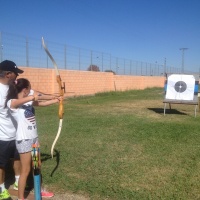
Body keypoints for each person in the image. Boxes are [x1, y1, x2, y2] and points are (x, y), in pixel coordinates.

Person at [5, 78, 62, 200]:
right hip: (24, 141)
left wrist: (57, 100)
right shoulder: (12, 102)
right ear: (25, 90)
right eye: (29, 89)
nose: (31, 92)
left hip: (34, 140)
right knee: (25, 170)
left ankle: (39, 190)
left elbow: (41, 103)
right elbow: (24, 100)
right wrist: (32, 97)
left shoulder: (28, 102)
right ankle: (21, 198)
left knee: (37, 166)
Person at [0, 60, 23, 200]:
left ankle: (18, 181)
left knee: (17, 157)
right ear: (8, 74)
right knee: (1, 164)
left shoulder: (12, 88)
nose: (17, 77)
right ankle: (1, 189)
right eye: (15, 74)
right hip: (2, 136)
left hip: (17, 133)